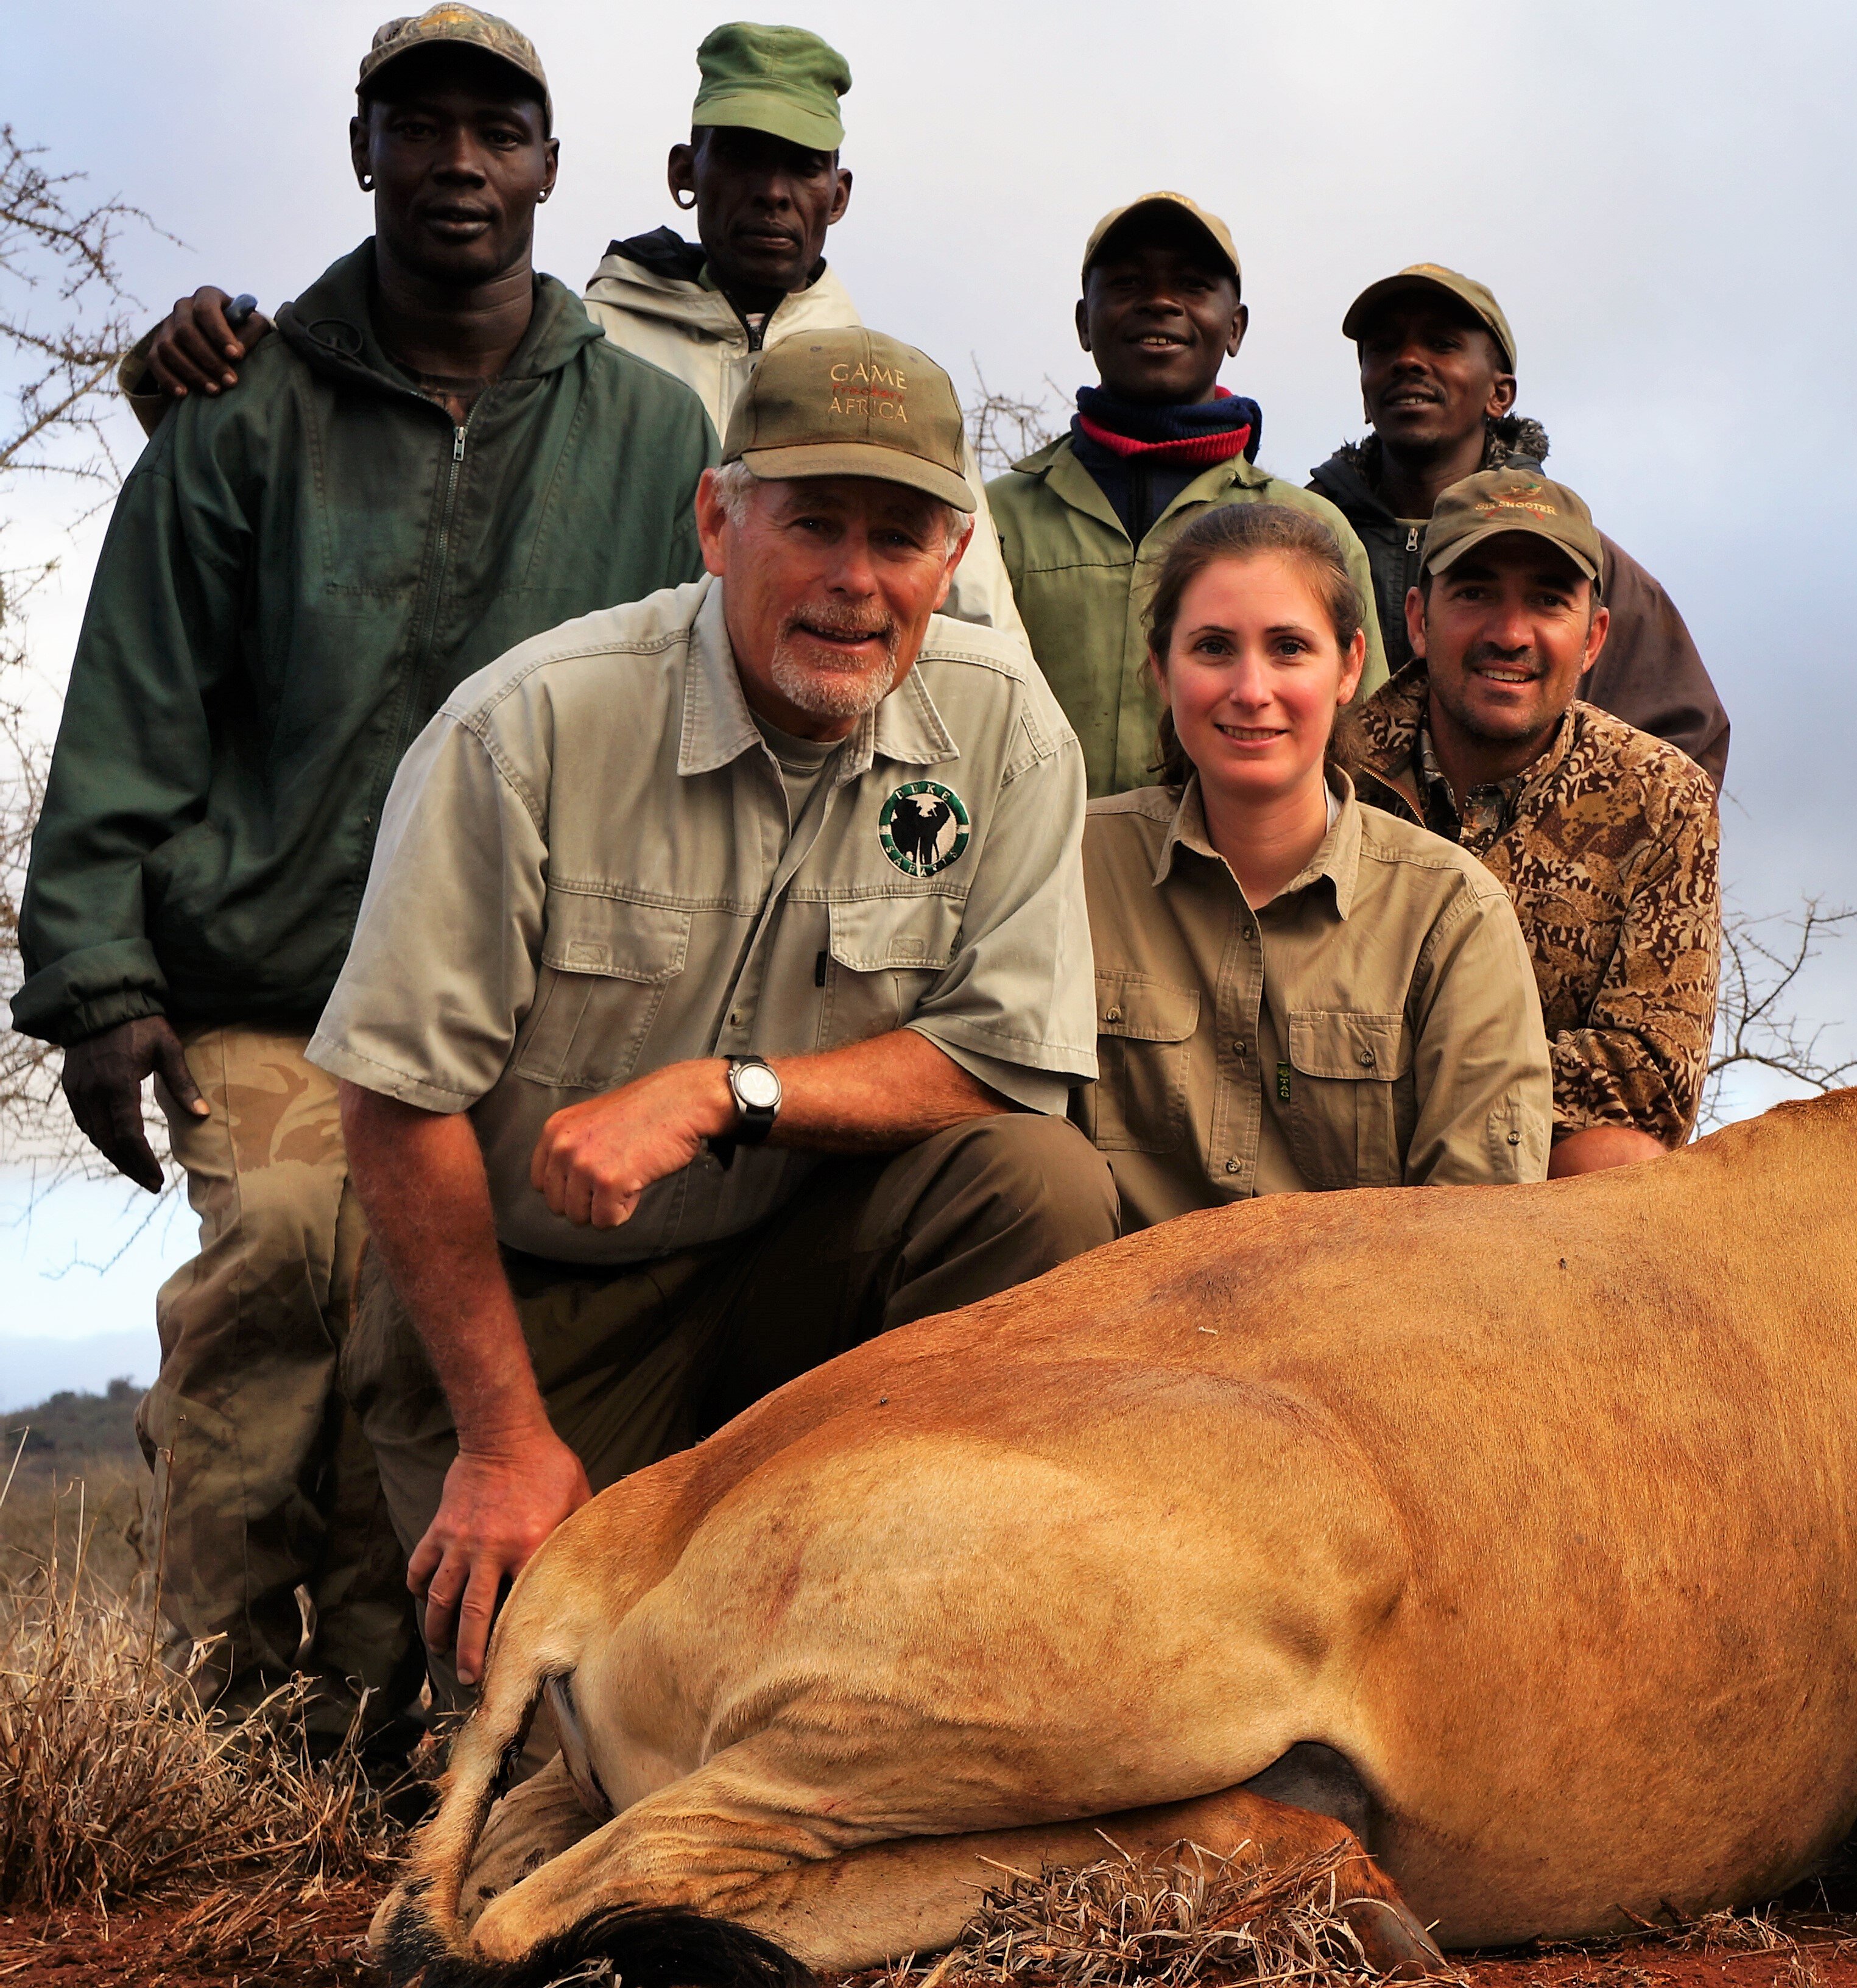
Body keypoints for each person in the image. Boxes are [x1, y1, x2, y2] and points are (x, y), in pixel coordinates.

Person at [10, 5, 718, 1755]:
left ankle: (395, 1728)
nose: (457, 164)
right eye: (420, 130)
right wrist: (96, 979)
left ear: (550, 170)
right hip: (273, 980)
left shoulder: (647, 433)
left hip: (514, 997)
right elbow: (131, 693)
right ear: (363, 153)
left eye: (497, 132)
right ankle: (220, 1729)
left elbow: (683, 720)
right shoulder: (237, 408)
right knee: (273, 1276)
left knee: (432, 1338)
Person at [306, 329, 1115, 1691]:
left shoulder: (1011, 732)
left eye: (900, 538)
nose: (856, 583)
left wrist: (724, 1090)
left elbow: (1003, 1059)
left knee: (1037, 1183)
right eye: (813, 524)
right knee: (567, 1734)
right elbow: (394, 1098)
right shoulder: (526, 727)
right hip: (532, 1302)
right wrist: (502, 1439)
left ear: (955, 554)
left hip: (790, 1271)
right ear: (717, 520)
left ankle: (930, 1599)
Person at [117, 23, 1020, 632]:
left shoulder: (894, 401)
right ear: (685, 171)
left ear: (841, 193)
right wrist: (187, 366)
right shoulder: (579, 352)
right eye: (743, 155)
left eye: (803, 164)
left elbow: (973, 625)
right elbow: (397, 501)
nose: (774, 190)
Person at [1075, 502, 1549, 1230]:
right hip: (1100, 1328)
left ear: (1349, 667)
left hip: (1359, 1331)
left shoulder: (1452, 914)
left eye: (1289, 648)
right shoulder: (1074, 868)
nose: (1251, 689)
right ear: (1161, 671)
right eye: (1212, 648)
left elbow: (1479, 1227)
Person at [1355, 471, 1720, 1177]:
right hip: (1328, 1134)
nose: (1511, 634)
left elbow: (1652, 1081)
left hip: (1522, 1159)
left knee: (1621, 1164)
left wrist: (1436, 1075)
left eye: (1548, 602)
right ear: (1419, 620)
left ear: (1593, 640)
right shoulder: (1332, 768)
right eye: (1475, 593)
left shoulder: (1661, 799)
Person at [984, 192, 1386, 798]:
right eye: (1126, 284)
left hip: (1235, 885)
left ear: (1235, 327)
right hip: (1023, 884)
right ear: (1083, 323)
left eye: (1194, 286)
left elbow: (1363, 753)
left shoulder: (1310, 531)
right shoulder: (991, 520)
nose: (1161, 303)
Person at [1310, 266, 1728, 788]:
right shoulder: (1299, 547)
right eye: (1384, 347)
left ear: (1500, 393)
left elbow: (1683, 757)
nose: (1409, 361)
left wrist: (1553, 850)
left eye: (1442, 344)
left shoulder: (1587, 565)